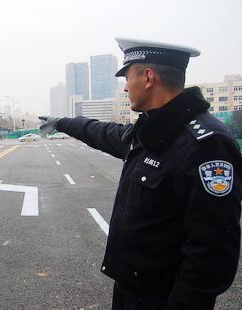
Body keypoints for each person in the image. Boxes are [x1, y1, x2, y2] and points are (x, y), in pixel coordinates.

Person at [40, 38, 241, 309]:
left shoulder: (205, 144)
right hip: (130, 290)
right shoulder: (152, 130)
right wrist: (63, 122)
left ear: (148, 77)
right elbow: (105, 133)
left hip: (162, 299)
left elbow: (212, 252)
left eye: (128, 76)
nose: (125, 87)